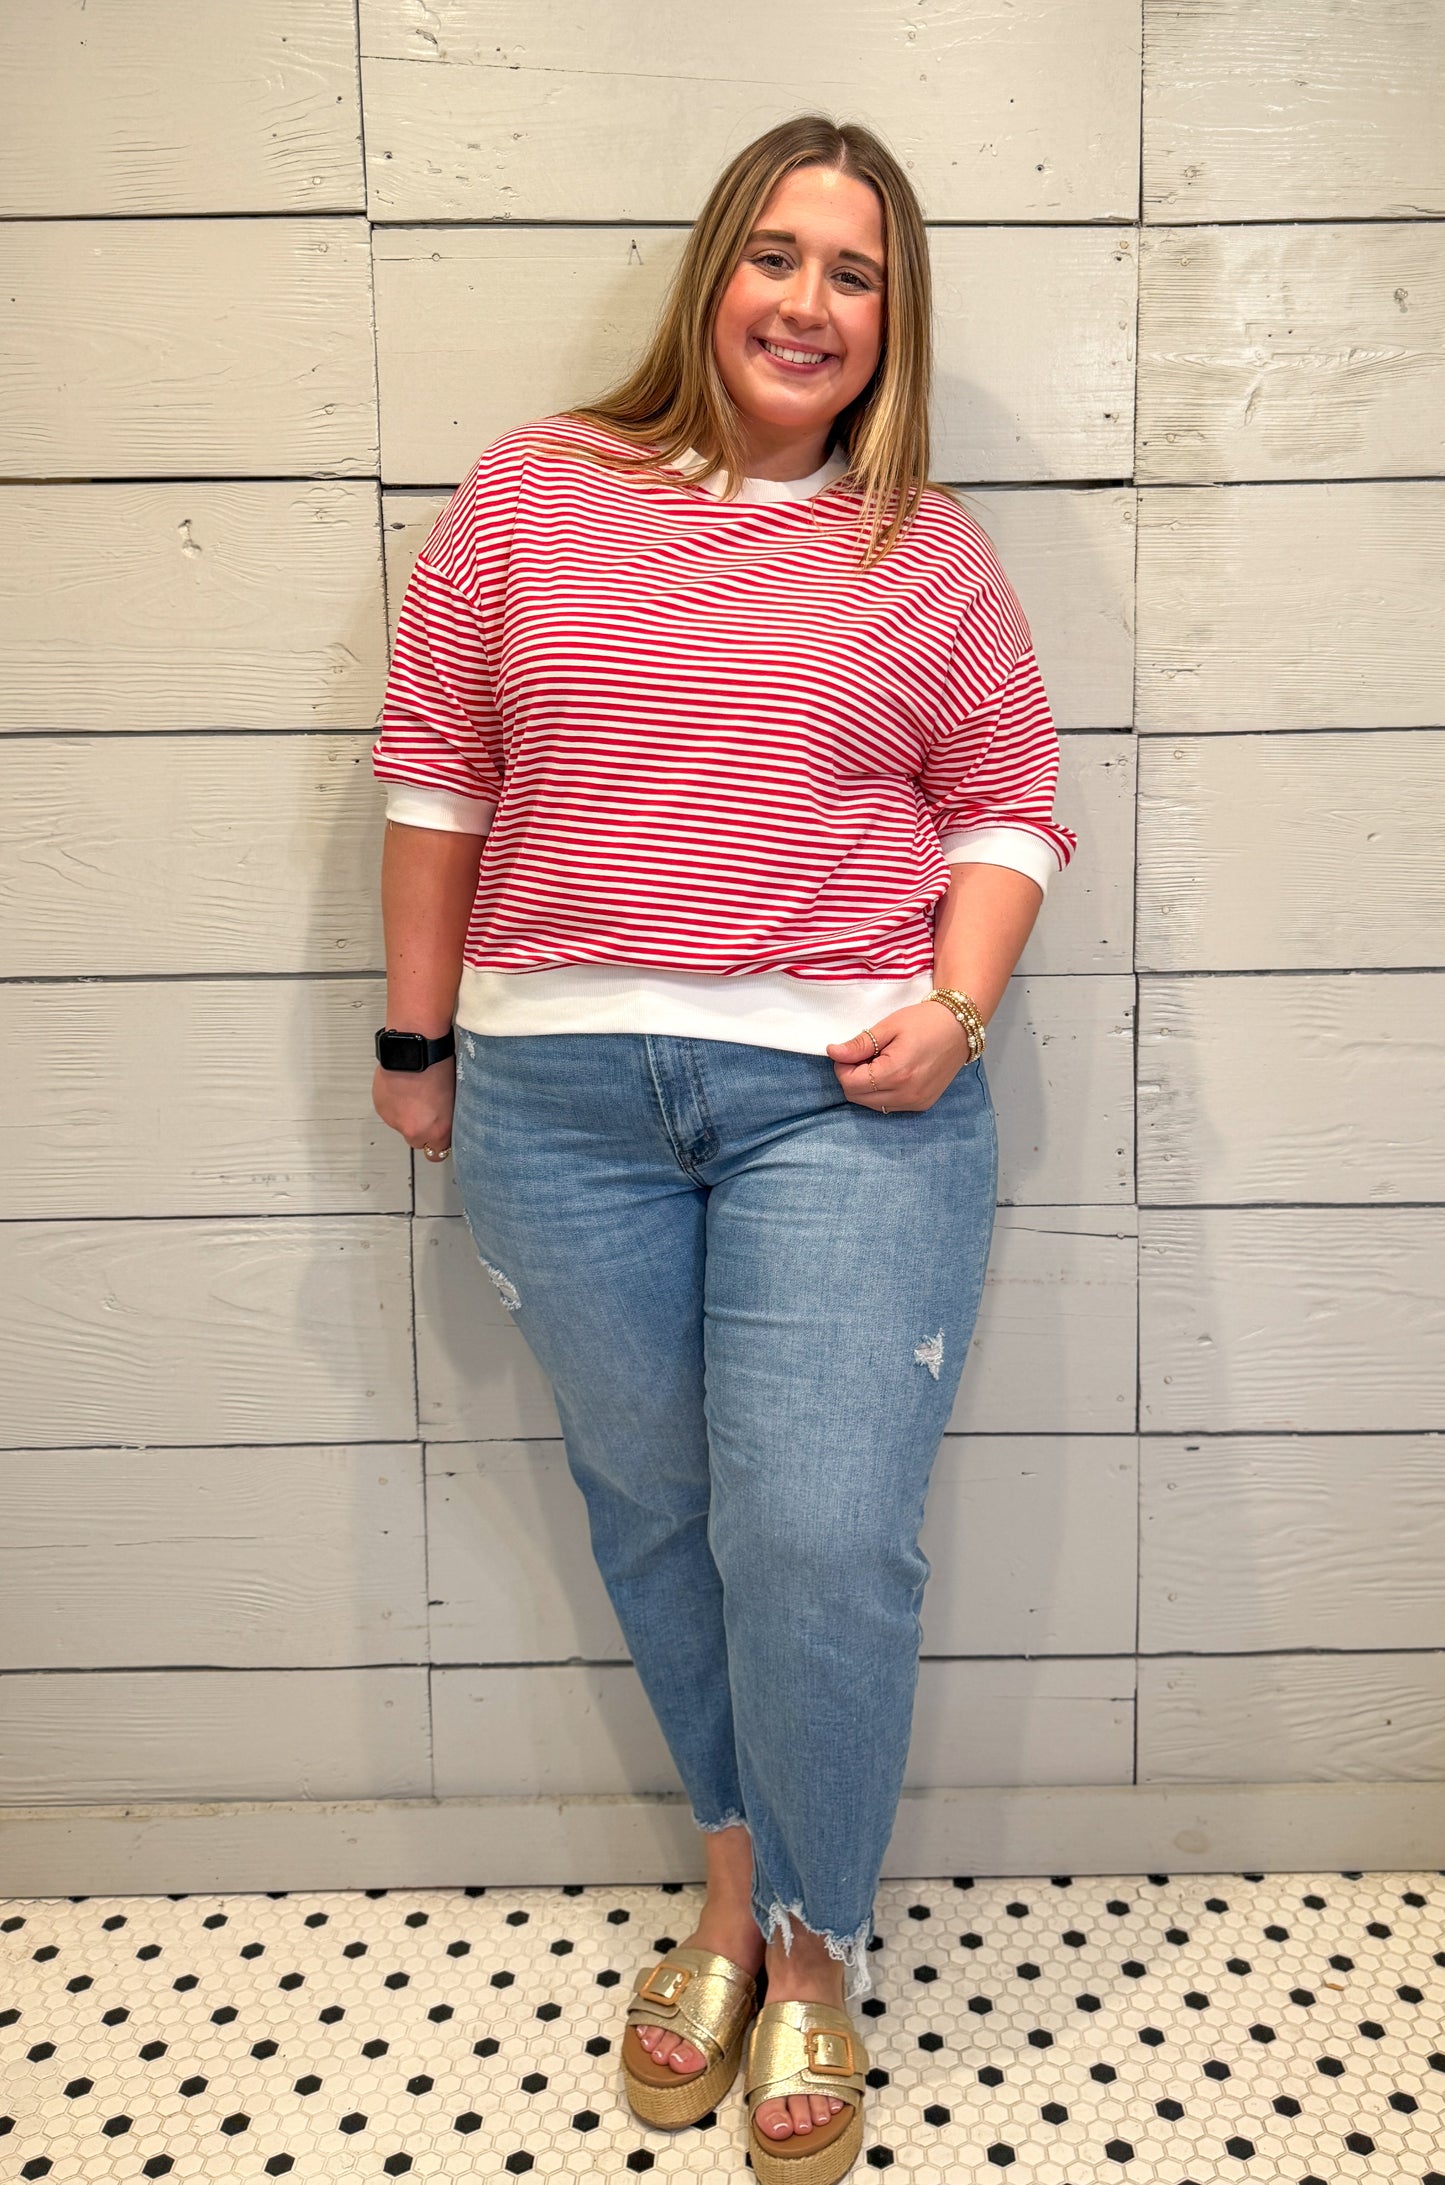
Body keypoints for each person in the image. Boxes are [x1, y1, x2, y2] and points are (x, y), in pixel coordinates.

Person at [370, 112, 1075, 2185]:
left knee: (821, 1536)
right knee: (662, 1513)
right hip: (557, 1099)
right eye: (777, 255)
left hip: (838, 1102)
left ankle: (821, 1949)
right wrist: (419, 1043)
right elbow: (435, 763)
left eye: (854, 274)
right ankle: (727, 1885)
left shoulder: (917, 547)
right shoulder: (535, 491)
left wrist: (958, 1005)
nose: (807, 302)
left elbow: (1011, 799)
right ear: (713, 275)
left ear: (892, 322)